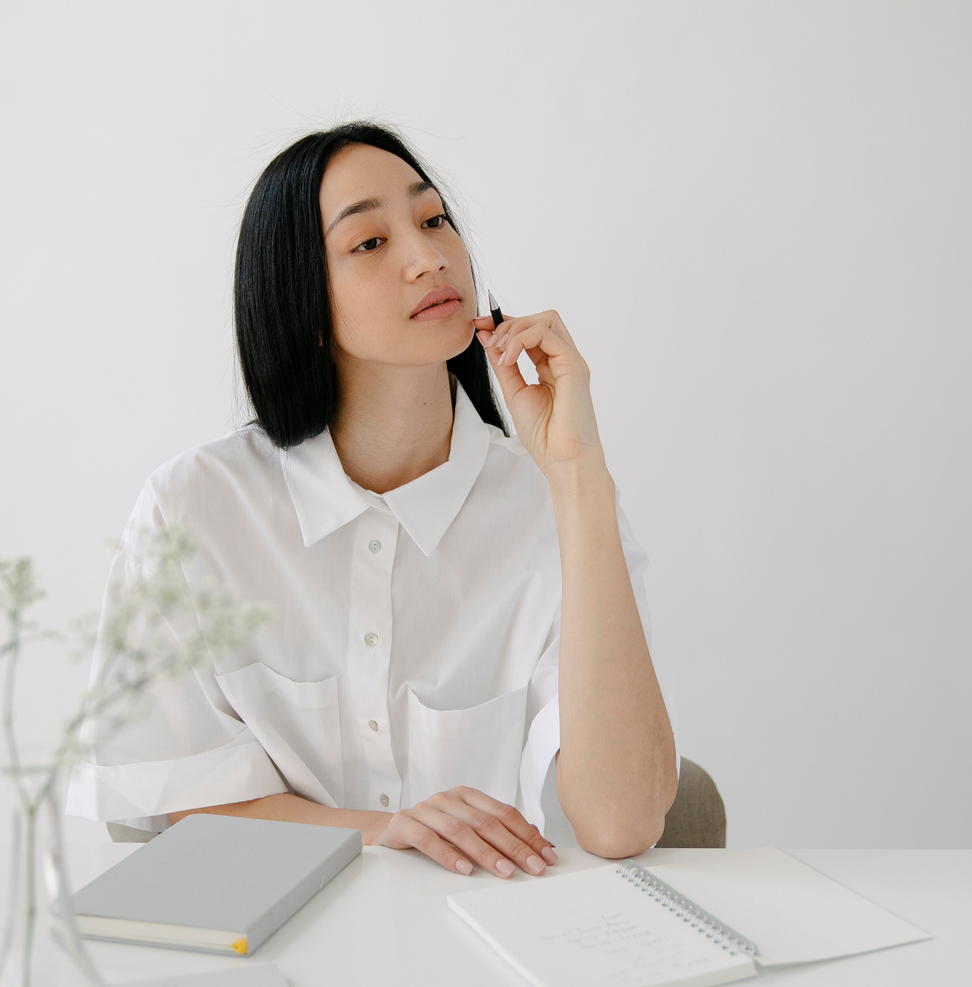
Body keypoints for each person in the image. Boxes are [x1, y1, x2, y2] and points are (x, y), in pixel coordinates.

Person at [68, 123, 678, 875]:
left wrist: (578, 475)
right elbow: (178, 793)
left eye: (434, 220)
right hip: (276, 928)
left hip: (485, 927)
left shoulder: (556, 504)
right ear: (299, 299)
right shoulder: (193, 508)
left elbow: (622, 821)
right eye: (370, 242)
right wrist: (383, 831)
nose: (429, 258)